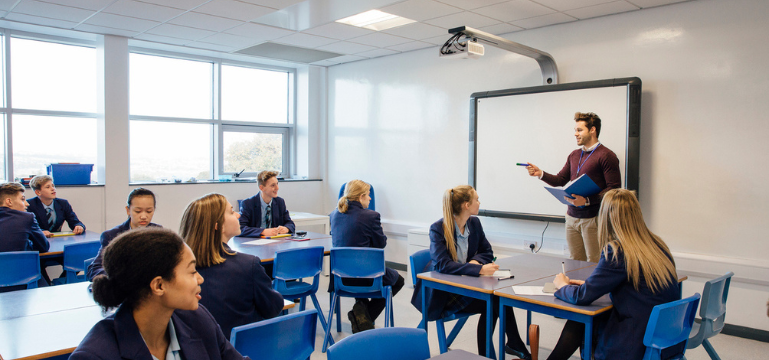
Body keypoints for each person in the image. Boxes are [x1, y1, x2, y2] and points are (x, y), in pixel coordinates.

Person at [70, 227, 248, 360]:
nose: (200, 279)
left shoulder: (197, 319)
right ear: (159, 285)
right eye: (192, 271)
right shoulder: (95, 355)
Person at [546, 189, 680, 360]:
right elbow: (636, 288)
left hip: (636, 342)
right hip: (665, 339)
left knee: (580, 319)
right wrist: (591, 285)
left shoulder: (618, 251)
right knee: (581, 320)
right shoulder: (656, 245)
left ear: (606, 217)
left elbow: (582, 297)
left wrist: (562, 285)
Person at [411, 185, 530, 359]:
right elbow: (443, 265)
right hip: (443, 294)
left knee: (497, 299)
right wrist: (478, 268)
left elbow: (487, 252)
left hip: (466, 285)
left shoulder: (474, 223)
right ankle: (507, 345)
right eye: (477, 199)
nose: (479, 202)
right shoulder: (438, 229)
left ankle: (499, 349)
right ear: (467, 205)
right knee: (495, 301)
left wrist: (475, 262)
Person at [180, 193, 284, 339]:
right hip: (240, 349)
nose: (238, 215)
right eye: (231, 211)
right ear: (219, 226)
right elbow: (273, 308)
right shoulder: (248, 265)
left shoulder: (177, 271)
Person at [526, 112, 621, 263]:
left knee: (594, 262)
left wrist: (587, 201)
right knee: (575, 262)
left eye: (579, 130)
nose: (575, 134)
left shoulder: (606, 156)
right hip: (571, 218)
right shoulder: (574, 155)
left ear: (592, 130)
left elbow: (614, 189)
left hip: (594, 219)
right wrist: (541, 173)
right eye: (575, 130)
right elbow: (561, 179)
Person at [329, 180, 405, 333]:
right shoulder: (372, 216)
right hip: (367, 276)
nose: (370, 199)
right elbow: (380, 244)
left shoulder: (334, 215)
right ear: (361, 196)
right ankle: (362, 316)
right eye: (368, 195)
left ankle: (361, 311)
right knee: (399, 281)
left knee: (360, 277)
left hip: (340, 277)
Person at [87, 188, 161, 280]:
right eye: (138, 211)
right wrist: (119, 278)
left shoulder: (159, 233)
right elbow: (95, 269)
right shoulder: (112, 236)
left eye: (149, 211)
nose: (143, 216)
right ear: (128, 210)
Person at [239, 170, 295, 238]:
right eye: (273, 185)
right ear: (262, 188)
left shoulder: (280, 202)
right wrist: (263, 231)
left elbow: (290, 223)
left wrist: (286, 228)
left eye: (277, 184)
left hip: (275, 242)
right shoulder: (248, 203)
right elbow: (240, 228)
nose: (277, 188)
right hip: (254, 243)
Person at [0, 182, 49, 253]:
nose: (27, 204)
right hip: (18, 263)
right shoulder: (27, 218)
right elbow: (43, 247)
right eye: (22, 199)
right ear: (9, 201)